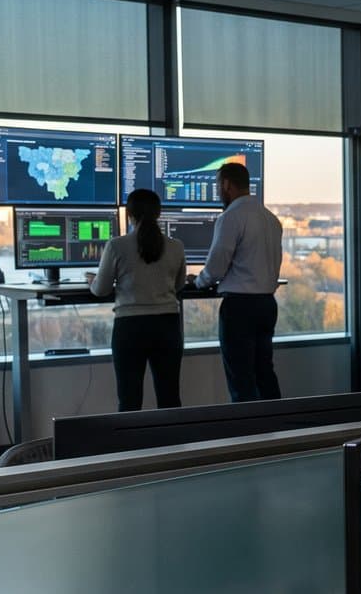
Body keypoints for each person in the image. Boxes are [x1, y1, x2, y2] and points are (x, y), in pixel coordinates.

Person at [89, 188, 185, 412]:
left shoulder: (116, 245)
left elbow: (101, 290)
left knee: (129, 400)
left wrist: (91, 281)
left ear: (129, 215)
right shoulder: (176, 246)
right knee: (170, 397)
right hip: (168, 326)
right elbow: (179, 285)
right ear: (159, 214)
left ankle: (131, 447)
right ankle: (175, 446)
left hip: (130, 328)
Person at [197, 161, 284, 402]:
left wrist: (199, 282)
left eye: (218, 186)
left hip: (240, 308)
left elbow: (216, 265)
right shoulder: (271, 218)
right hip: (267, 304)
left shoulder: (231, 217)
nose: (218, 192)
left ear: (226, 185)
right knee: (264, 372)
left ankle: (246, 433)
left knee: (241, 378)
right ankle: (276, 430)